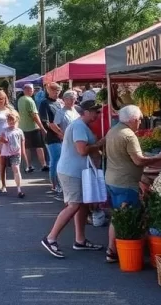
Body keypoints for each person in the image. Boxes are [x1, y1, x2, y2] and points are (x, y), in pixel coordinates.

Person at [104, 105, 161, 263]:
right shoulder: (129, 135)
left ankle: (111, 250)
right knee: (128, 217)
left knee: (117, 216)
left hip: (112, 179)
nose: (141, 122)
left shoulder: (113, 130)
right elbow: (138, 160)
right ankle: (125, 252)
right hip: (125, 182)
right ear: (133, 120)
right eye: (140, 119)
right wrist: (159, 157)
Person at [40, 99, 105, 258]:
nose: (98, 114)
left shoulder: (81, 126)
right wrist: (100, 143)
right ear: (87, 112)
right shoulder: (79, 126)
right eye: (96, 111)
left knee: (81, 205)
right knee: (74, 205)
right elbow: (82, 150)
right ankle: (51, 238)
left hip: (75, 171)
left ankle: (80, 240)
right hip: (71, 172)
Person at [39, 83, 64, 195]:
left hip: (63, 135)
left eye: (58, 90)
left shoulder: (60, 102)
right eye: (54, 90)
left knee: (61, 160)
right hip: (52, 137)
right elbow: (45, 122)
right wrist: (57, 132)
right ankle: (54, 184)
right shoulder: (45, 103)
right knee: (55, 160)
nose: (56, 92)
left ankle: (60, 183)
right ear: (48, 90)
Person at [18, 84, 48, 173]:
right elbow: (34, 115)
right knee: (39, 147)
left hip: (22, 127)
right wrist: (42, 128)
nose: (33, 91)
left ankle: (28, 166)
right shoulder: (30, 100)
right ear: (28, 90)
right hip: (33, 127)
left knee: (27, 148)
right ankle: (44, 165)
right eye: (32, 90)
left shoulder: (20, 99)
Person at [0, 111, 26, 198]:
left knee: (16, 169)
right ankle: (3, 185)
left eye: (13, 121)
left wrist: (23, 153)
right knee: (2, 168)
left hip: (16, 153)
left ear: (16, 120)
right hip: (5, 153)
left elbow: (22, 142)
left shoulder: (19, 131)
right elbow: (0, 140)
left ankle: (19, 189)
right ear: (7, 121)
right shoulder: (4, 130)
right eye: (9, 121)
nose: (11, 122)